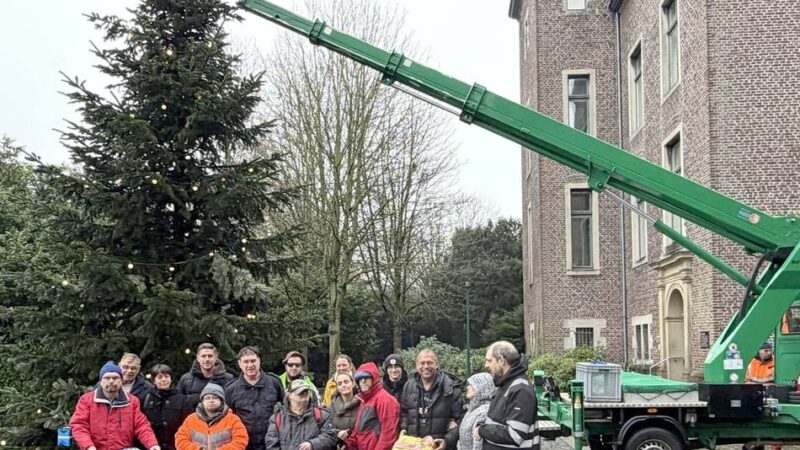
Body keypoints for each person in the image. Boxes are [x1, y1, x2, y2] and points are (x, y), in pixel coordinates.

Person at [70, 361, 160, 450]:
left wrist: (152, 444)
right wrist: (88, 446)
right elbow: (79, 425)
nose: (111, 381)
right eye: (107, 378)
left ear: (121, 381)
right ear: (101, 381)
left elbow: (141, 425)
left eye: (115, 378)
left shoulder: (132, 401)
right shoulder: (86, 400)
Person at [477, 341, 538, 450]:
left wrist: (482, 430)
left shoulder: (520, 389)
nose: (486, 365)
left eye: (489, 361)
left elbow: (515, 435)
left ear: (501, 360)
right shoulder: (505, 384)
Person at [400, 349, 464, 450]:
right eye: (422, 363)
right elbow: (403, 412)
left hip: (439, 446)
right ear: (417, 365)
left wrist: (447, 441)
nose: (426, 366)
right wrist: (403, 428)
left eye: (429, 363)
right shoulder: (409, 386)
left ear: (437, 364)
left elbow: (461, 420)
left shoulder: (450, 388)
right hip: (415, 446)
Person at [225, 346, 285, 450]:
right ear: (240, 364)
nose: (250, 365)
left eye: (253, 361)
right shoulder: (231, 389)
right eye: (246, 362)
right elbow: (228, 418)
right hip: (245, 444)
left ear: (259, 361)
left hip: (272, 443)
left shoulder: (274, 382)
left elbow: (285, 409)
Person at [264, 379, 338, 450]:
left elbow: (331, 436)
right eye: (300, 391)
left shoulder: (322, 415)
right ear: (289, 395)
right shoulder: (277, 418)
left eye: (306, 391)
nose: (304, 393)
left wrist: (312, 444)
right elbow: (271, 443)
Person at [175, 383, 249, 450]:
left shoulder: (233, 419)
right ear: (202, 401)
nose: (211, 400)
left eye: (215, 397)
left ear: (221, 400)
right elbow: (180, 439)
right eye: (207, 398)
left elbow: (241, 439)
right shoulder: (191, 419)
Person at [346, 362, 400, 450]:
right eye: (360, 378)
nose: (363, 381)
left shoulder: (385, 400)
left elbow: (387, 437)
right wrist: (347, 445)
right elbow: (358, 431)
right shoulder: (365, 400)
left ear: (374, 378)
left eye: (366, 377)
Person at [142, 364, 191, 450]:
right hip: (152, 446)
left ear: (171, 379)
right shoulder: (146, 398)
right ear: (154, 380)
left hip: (174, 445)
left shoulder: (182, 399)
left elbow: (187, 425)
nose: (163, 380)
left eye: (166, 376)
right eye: (160, 377)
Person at [177, 343, 235, 407]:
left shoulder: (228, 379)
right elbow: (178, 404)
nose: (207, 359)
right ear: (198, 358)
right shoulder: (186, 380)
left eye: (210, 356)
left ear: (216, 358)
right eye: (203, 356)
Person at [457, 373, 497, 450]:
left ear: (481, 387)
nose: (467, 387)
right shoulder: (472, 409)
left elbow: (479, 443)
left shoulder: (484, 411)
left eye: (471, 385)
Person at [329, 371, 361, 445]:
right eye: (340, 384)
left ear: (353, 384)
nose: (343, 385)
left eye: (346, 382)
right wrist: (337, 433)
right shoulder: (331, 406)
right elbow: (326, 428)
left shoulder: (362, 403)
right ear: (337, 387)